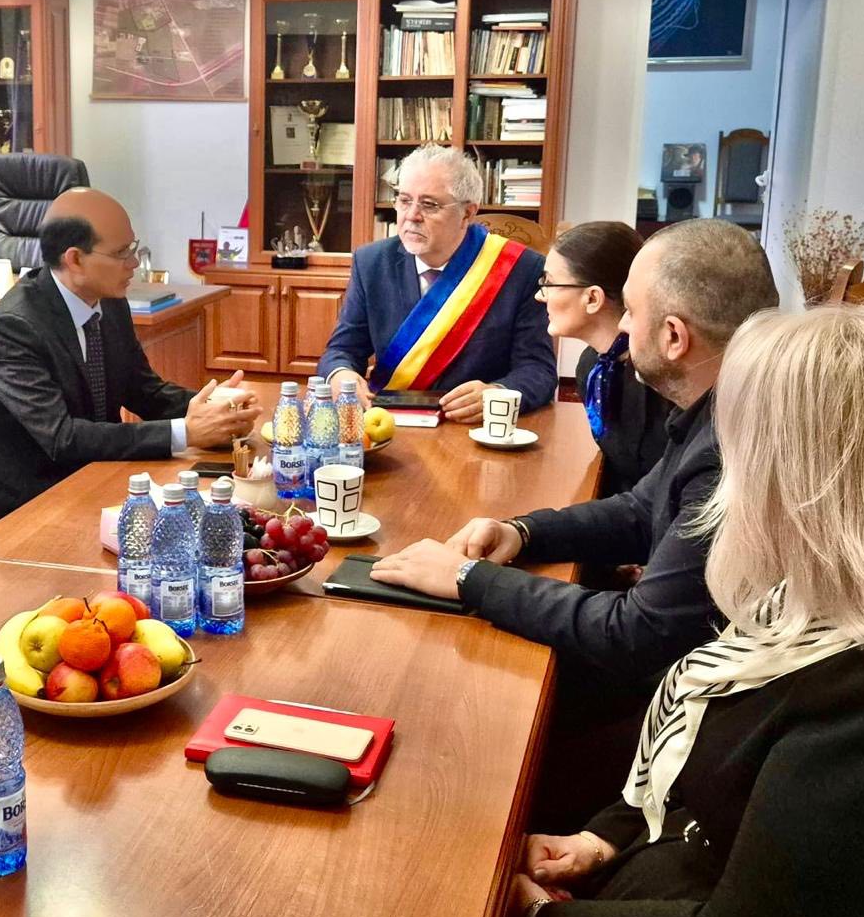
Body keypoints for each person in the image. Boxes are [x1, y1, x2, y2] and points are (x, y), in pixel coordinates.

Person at [494, 302, 864, 917]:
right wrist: (603, 840)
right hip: (700, 909)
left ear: (808, 482)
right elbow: (712, 763)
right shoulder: (814, 600)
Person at [371, 219, 779, 699]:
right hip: (679, 658)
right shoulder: (722, 407)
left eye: (632, 311)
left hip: (688, 693)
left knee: (458, 681)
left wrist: (467, 579)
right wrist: (522, 532)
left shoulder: (727, 450)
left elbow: (634, 634)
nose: (622, 325)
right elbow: (639, 510)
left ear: (674, 336)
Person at [0, 187, 262, 524]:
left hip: (91, 476)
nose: (134, 262)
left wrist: (217, 408)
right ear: (75, 259)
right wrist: (185, 432)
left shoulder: (110, 302)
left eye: (133, 247)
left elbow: (143, 390)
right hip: (20, 501)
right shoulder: (15, 327)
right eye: (121, 253)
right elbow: (62, 438)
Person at [317, 144, 556, 424]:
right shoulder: (371, 263)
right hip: (390, 423)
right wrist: (340, 374)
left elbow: (538, 370)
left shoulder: (520, 269)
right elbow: (342, 350)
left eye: (429, 205)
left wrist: (498, 393)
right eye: (404, 200)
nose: (412, 215)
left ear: (467, 214)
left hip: (473, 428)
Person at [542, 221, 674, 497]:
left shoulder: (662, 378)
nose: (540, 296)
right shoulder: (591, 366)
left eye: (550, 283)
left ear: (592, 298)